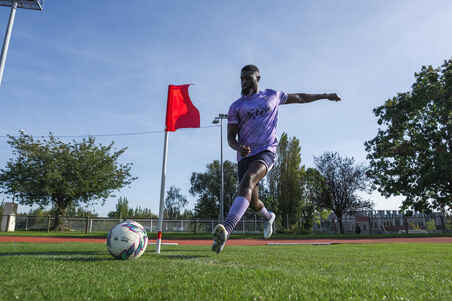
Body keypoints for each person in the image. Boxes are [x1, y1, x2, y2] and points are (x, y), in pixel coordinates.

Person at [211, 64, 341, 254]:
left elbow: (300, 98)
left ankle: (226, 230)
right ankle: (268, 216)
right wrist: (238, 147)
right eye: (242, 78)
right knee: (253, 201)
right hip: (245, 156)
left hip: (266, 151)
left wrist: (325, 95)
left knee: (248, 181)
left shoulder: (272, 95)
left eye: (248, 77)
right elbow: (230, 137)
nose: (244, 81)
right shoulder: (236, 106)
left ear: (258, 78)